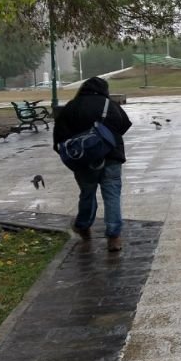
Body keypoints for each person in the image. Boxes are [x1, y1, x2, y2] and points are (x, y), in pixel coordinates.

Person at [53, 77, 133, 252]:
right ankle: (114, 236)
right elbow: (124, 124)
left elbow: (60, 135)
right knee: (112, 195)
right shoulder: (109, 105)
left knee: (87, 193)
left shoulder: (72, 107)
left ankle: (84, 225)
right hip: (111, 156)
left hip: (83, 159)